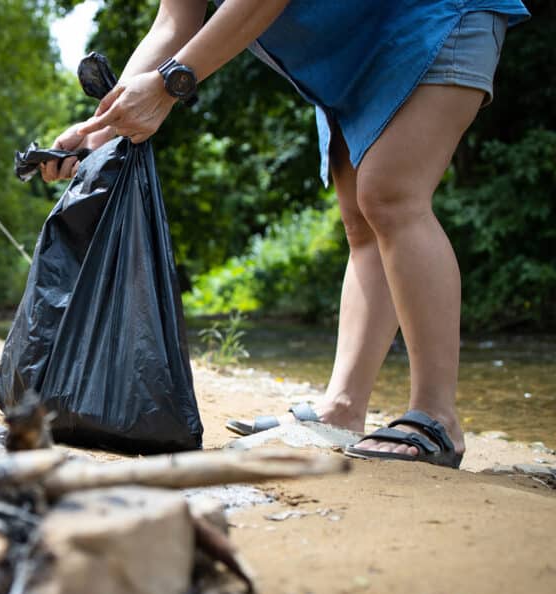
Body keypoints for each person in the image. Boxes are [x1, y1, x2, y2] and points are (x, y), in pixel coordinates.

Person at [41, 0, 530, 468]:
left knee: (390, 195)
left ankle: (436, 416)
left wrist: (171, 84)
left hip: (431, 15)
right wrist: (102, 130)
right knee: (362, 224)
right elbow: (173, 19)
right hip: (343, 55)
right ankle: (342, 409)